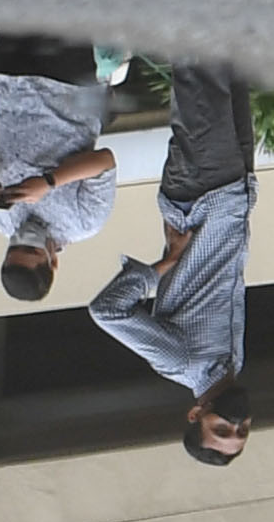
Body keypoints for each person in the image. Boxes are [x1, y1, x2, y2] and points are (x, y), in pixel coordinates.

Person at [89, 59, 255, 464]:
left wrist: (162, 266)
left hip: (200, 191)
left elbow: (107, 311)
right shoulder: (232, 365)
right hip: (234, 191)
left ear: (196, 414)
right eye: (241, 431)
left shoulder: (180, 362)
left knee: (199, 62)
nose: (235, 422)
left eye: (221, 429)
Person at [0, 35, 116, 305]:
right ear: (53, 262)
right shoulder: (84, 223)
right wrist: (49, 181)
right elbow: (104, 162)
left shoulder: (4, 223)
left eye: (14, 246)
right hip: (66, 87)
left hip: (11, 86)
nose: (22, 238)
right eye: (31, 249)